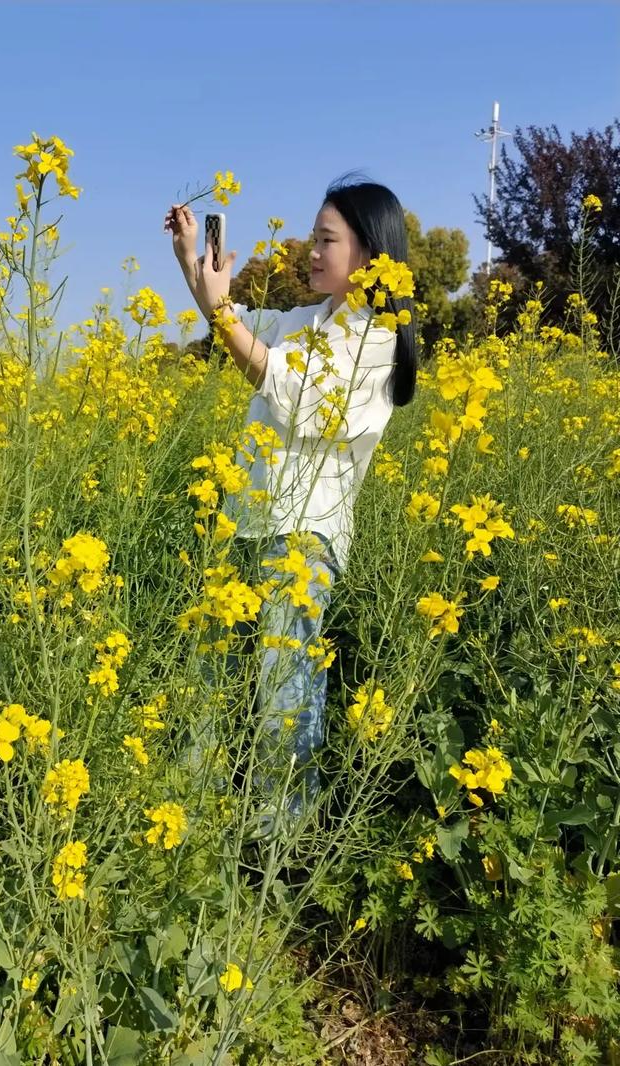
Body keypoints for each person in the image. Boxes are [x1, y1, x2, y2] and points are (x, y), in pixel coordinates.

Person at [163, 174, 418, 839]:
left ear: (370, 254)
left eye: (326, 239)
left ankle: (282, 839)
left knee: (286, 685)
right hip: (250, 522)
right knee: (212, 677)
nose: (311, 250)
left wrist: (222, 315)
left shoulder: (376, 340)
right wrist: (194, 262)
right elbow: (240, 330)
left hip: (305, 537)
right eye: (312, 236)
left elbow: (292, 394)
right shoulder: (309, 322)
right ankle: (196, 822)